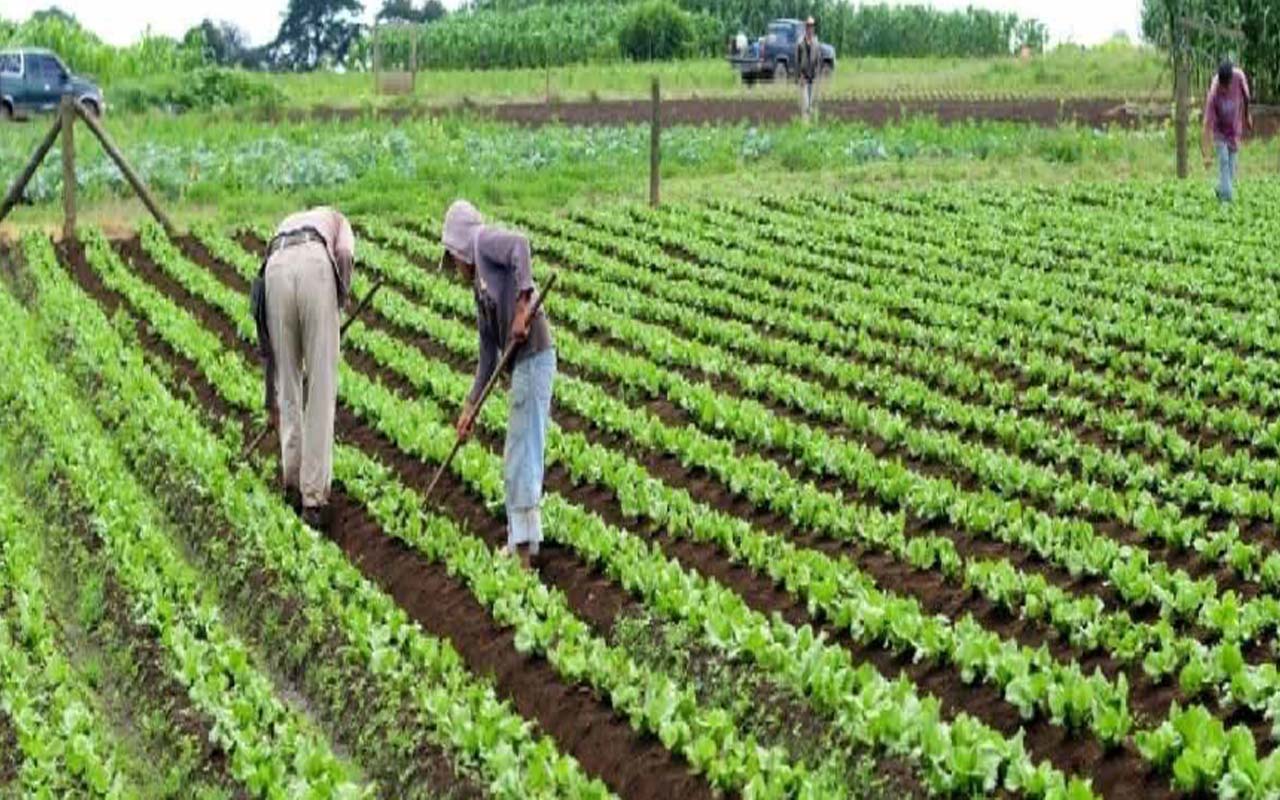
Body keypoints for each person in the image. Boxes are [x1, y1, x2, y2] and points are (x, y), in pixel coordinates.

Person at [441, 201, 556, 569]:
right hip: (520, 362)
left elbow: (520, 244)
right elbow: (488, 357)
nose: (454, 266)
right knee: (519, 452)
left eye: (452, 257)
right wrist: (469, 407)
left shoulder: (484, 242)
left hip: (534, 356)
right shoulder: (480, 291)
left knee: (521, 452)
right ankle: (521, 539)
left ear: (460, 247)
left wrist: (523, 308)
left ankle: (524, 551)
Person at [251, 207, 355, 529]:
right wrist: (339, 301)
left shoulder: (286, 223)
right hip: (315, 265)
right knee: (322, 386)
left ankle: (291, 483)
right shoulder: (339, 220)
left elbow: (269, 349)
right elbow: (345, 253)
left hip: (274, 270)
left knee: (289, 380)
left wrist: (271, 400)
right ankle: (313, 501)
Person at [1202, 59, 1252, 203]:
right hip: (1220, 131)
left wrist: (1247, 115)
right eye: (1222, 86)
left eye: (1227, 85)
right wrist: (1206, 154)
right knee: (1223, 162)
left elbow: (1247, 98)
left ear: (1231, 79)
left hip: (1234, 129)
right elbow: (1207, 125)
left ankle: (1220, 189)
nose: (1224, 89)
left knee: (1231, 170)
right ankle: (1226, 201)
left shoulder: (1239, 77)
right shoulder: (1213, 92)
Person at [795, 17, 822, 121]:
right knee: (805, 104)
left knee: (811, 104)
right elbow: (797, 61)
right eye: (808, 26)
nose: (810, 28)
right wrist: (799, 77)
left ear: (813, 28)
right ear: (805, 28)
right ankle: (804, 127)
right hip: (804, 78)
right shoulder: (800, 42)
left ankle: (811, 127)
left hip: (813, 78)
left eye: (812, 26)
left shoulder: (816, 43)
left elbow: (818, 60)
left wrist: (818, 75)